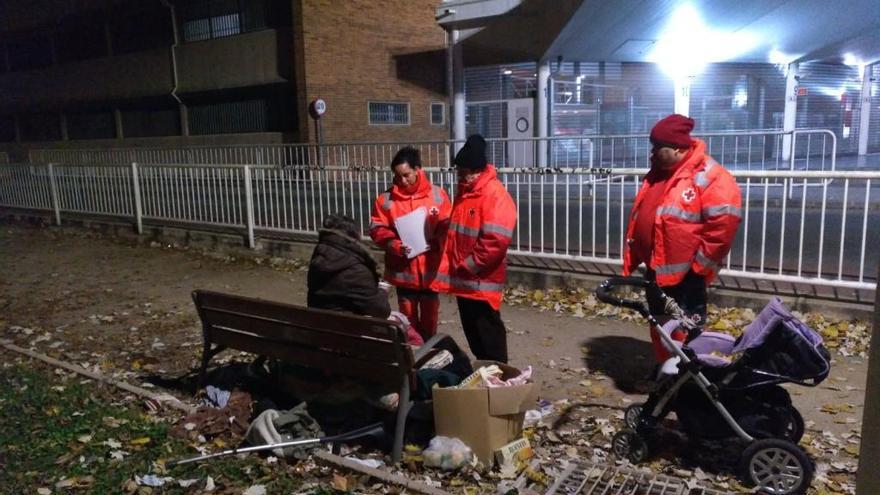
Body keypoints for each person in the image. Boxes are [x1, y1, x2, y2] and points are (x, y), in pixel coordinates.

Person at [622, 114, 742, 362]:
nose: (652, 153)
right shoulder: (662, 171)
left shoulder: (711, 176)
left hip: (687, 276)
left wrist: (699, 267)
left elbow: (723, 225)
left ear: (677, 148)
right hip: (657, 270)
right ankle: (666, 370)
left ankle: (688, 381)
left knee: (686, 329)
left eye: (658, 147)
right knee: (660, 324)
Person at [433, 134, 517, 363]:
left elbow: (495, 241)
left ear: (477, 170)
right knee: (476, 335)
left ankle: (498, 376)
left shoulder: (494, 195)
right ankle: (487, 374)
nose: (459, 175)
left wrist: (469, 265)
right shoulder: (468, 191)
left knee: (488, 334)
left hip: (479, 280)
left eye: (463, 171)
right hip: (467, 279)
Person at [369, 147, 452, 339]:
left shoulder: (438, 195)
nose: (402, 181)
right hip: (404, 272)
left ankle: (427, 354)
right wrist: (394, 245)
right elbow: (377, 229)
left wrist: (439, 239)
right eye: (398, 177)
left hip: (430, 271)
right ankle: (414, 357)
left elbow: (447, 223)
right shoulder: (385, 200)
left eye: (406, 175)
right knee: (408, 321)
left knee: (430, 320)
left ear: (417, 170)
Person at [307, 213, 391, 318]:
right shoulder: (356, 271)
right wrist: (383, 291)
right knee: (400, 323)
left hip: (318, 325)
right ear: (355, 236)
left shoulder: (319, 257)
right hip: (348, 329)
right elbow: (381, 311)